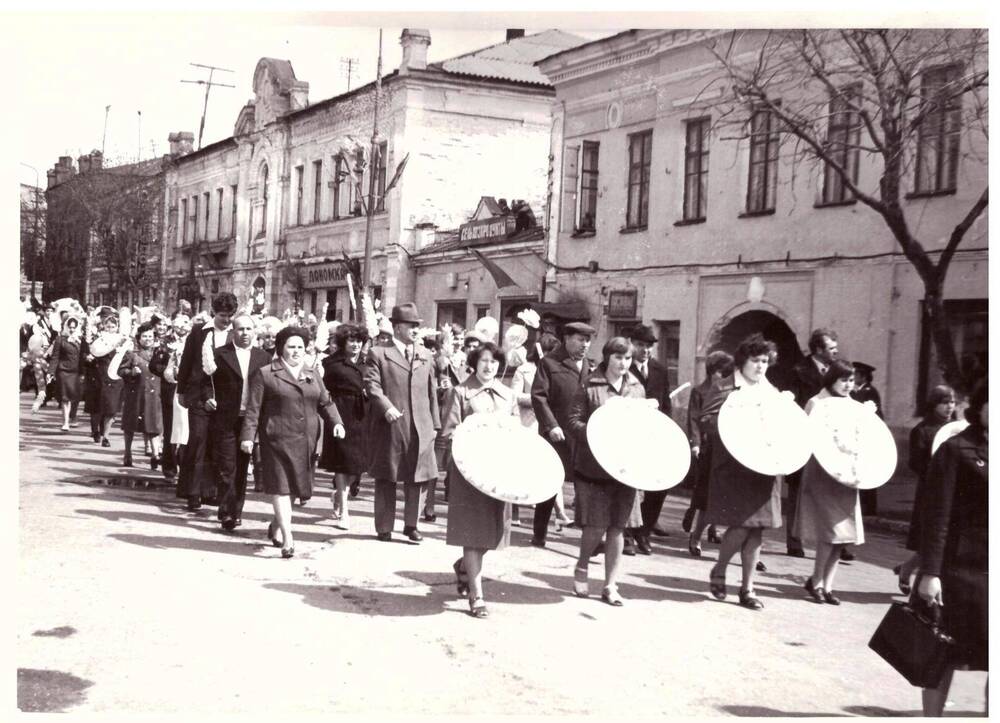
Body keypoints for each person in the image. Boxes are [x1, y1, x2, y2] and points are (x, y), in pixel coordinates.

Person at [240, 326, 345, 558]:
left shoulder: (312, 373)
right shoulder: (266, 373)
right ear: (281, 349)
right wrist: (248, 437)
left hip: (306, 440)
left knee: (297, 489)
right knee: (280, 486)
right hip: (276, 438)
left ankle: (276, 525)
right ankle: (288, 538)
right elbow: (253, 409)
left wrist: (336, 422)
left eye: (300, 347)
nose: (296, 351)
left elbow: (325, 402)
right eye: (291, 347)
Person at [916, 383, 987, 716]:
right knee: (941, 653)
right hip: (961, 571)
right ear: (980, 407)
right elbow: (937, 515)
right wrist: (929, 572)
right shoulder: (956, 449)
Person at [566, 336, 646, 606]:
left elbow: (643, 427)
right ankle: (582, 565)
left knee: (618, 528)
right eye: (618, 358)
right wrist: (598, 432)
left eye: (628, 358)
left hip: (625, 467)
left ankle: (611, 585)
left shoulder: (636, 388)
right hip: (595, 467)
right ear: (607, 357)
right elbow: (573, 421)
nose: (624, 364)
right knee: (595, 525)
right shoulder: (590, 384)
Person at [705, 334, 782, 611]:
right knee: (740, 526)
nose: (761, 367)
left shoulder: (771, 392)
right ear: (742, 362)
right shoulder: (726, 387)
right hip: (736, 466)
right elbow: (707, 422)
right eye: (755, 361)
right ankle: (720, 568)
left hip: (765, 467)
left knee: (758, 530)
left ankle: (748, 588)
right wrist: (737, 430)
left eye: (765, 361)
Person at [441, 341, 517, 618]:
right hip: (469, 473)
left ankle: (464, 566)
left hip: (498, 473)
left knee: (491, 535)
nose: (489, 366)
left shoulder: (507, 395)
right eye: (484, 361)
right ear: (475, 362)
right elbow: (448, 432)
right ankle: (477, 596)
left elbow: (516, 431)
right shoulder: (460, 392)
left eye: (494, 362)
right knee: (472, 534)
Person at [364, 303, 441, 543]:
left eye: (417, 325)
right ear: (397, 327)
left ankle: (411, 525)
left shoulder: (425, 355)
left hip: (421, 425)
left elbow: (432, 392)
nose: (416, 330)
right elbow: (371, 385)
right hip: (391, 424)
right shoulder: (379, 353)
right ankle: (384, 526)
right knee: (387, 475)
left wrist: (435, 425)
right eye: (410, 325)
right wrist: (386, 407)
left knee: (418, 477)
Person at [795, 359, 864, 605]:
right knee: (830, 531)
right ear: (832, 379)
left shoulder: (854, 406)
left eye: (851, 380)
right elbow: (806, 435)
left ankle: (827, 584)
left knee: (843, 535)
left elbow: (861, 436)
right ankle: (816, 581)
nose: (848, 385)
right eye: (843, 379)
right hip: (823, 473)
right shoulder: (817, 402)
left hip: (846, 475)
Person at [530, 321, 596, 548]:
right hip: (556, 435)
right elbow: (539, 397)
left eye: (587, 340)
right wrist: (551, 425)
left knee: (586, 486)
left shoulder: (591, 366)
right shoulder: (549, 363)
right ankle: (539, 533)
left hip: (582, 435)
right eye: (580, 339)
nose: (584, 345)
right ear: (567, 339)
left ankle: (591, 538)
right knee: (550, 482)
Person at [205, 314, 270, 531]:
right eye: (240, 329)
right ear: (233, 331)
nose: (245, 334)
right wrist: (208, 397)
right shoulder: (220, 354)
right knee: (226, 466)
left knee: (242, 467)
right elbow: (206, 380)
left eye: (248, 329)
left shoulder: (264, 358)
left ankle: (236, 510)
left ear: (255, 332)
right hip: (225, 417)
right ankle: (226, 512)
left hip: (249, 420)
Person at [892, 385, 957, 594]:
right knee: (928, 539)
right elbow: (916, 463)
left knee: (941, 540)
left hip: (954, 491)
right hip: (930, 491)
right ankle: (913, 577)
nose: (949, 407)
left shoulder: (958, 430)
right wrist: (937, 470)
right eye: (944, 403)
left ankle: (907, 570)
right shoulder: (922, 430)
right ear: (934, 404)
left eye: (952, 403)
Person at [176, 292, 238, 511]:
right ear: (214, 313)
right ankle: (192, 491)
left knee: (216, 444)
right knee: (198, 441)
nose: (227, 319)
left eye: (231, 315)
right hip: (198, 395)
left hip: (225, 399)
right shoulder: (199, 332)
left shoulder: (236, 334)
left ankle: (210, 491)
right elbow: (187, 362)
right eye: (223, 315)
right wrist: (181, 391)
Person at [783, 327, 840, 558]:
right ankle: (794, 541)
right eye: (831, 348)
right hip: (805, 438)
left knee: (832, 490)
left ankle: (837, 541)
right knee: (799, 490)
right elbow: (792, 406)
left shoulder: (838, 373)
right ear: (818, 349)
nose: (835, 352)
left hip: (830, 440)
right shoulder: (798, 371)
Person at [509, 332, 571, 529]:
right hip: (528, 423)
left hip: (549, 425)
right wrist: (538, 399)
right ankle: (515, 511)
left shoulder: (558, 370)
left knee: (552, 469)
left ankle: (560, 513)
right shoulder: (524, 370)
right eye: (549, 351)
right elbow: (515, 396)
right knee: (521, 471)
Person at [626, 324, 673, 555]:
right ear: (632, 344)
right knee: (629, 485)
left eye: (649, 346)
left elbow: (666, 404)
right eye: (641, 345)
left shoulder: (659, 370)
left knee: (658, 486)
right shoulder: (622, 367)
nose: (645, 350)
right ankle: (626, 536)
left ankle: (643, 532)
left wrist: (668, 433)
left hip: (654, 437)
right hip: (630, 436)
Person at [682, 350, 735, 556]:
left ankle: (715, 529)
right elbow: (694, 418)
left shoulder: (732, 392)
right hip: (708, 448)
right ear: (712, 372)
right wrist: (695, 443)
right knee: (704, 496)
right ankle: (696, 536)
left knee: (723, 495)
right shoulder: (700, 391)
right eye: (722, 373)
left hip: (727, 449)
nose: (724, 377)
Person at [320, 323, 371, 529]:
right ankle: (344, 512)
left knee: (357, 466)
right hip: (341, 414)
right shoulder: (331, 364)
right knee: (343, 463)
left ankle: (339, 495)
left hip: (362, 415)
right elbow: (323, 392)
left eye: (359, 341)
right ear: (343, 342)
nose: (356, 345)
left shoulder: (366, 363)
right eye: (351, 340)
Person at [118, 322, 163, 468]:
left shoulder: (160, 354)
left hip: (154, 395)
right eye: (144, 336)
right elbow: (121, 371)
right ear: (139, 338)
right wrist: (131, 372)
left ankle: (155, 455)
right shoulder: (132, 355)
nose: (148, 339)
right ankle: (127, 453)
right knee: (130, 425)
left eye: (150, 336)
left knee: (154, 426)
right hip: (135, 394)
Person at [87, 312, 127, 448]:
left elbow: (126, 356)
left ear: (117, 327)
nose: (110, 329)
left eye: (113, 327)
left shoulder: (122, 340)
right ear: (103, 327)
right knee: (97, 407)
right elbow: (91, 353)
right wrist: (90, 358)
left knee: (111, 407)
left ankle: (106, 436)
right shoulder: (98, 339)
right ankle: (96, 430)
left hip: (115, 376)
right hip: (99, 375)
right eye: (108, 326)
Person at [850, 361, 883, 519]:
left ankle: (869, 507)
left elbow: (876, 414)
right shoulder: (853, 391)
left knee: (867, 469)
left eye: (856, 374)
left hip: (866, 435)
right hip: (854, 434)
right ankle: (859, 504)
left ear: (863, 376)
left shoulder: (870, 392)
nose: (853, 376)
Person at [49, 314, 86, 432]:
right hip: (64, 371)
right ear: (66, 327)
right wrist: (51, 372)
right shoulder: (60, 339)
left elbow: (84, 356)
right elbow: (55, 357)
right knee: (65, 398)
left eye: (74, 327)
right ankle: (65, 422)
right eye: (70, 327)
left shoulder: (81, 339)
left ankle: (73, 417)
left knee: (76, 396)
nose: (72, 329)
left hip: (77, 372)